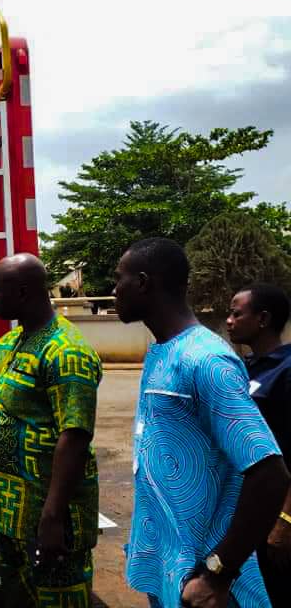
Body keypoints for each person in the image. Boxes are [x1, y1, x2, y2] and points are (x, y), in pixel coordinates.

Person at [114, 238, 290, 608]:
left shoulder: (207, 360)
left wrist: (217, 574)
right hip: (170, 569)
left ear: (143, 282)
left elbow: (270, 473)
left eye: (120, 279)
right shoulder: (162, 351)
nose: (114, 290)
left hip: (204, 584)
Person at [0, 253, 102, 607]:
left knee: (59, 600)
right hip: (9, 514)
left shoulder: (66, 350)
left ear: (23, 292)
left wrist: (52, 518)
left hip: (48, 517)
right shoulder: (8, 344)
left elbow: (75, 436)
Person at [226, 283, 291, 605]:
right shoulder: (244, 368)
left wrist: (285, 522)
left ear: (263, 319)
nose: (228, 320)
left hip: (276, 513)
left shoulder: (286, 370)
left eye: (236, 314)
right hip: (247, 510)